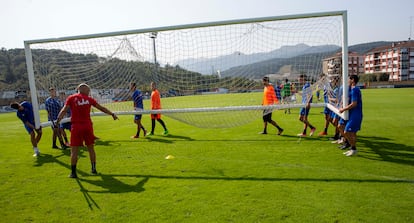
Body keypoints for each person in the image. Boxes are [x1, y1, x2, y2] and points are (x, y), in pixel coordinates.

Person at [56, 83, 118, 178]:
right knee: (91, 148)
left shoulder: (71, 98)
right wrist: (112, 114)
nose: (89, 92)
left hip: (76, 127)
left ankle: (73, 173)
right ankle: (93, 169)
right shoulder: (89, 99)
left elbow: (64, 110)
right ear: (84, 90)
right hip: (87, 126)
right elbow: (101, 108)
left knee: (74, 150)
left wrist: (58, 120)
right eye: (88, 90)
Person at [339, 75, 363, 156]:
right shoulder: (351, 89)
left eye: (348, 79)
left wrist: (343, 109)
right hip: (352, 114)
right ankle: (352, 149)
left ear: (352, 80)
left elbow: (354, 104)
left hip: (356, 114)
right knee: (352, 133)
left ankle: (353, 149)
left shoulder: (355, 89)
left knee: (347, 131)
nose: (347, 80)